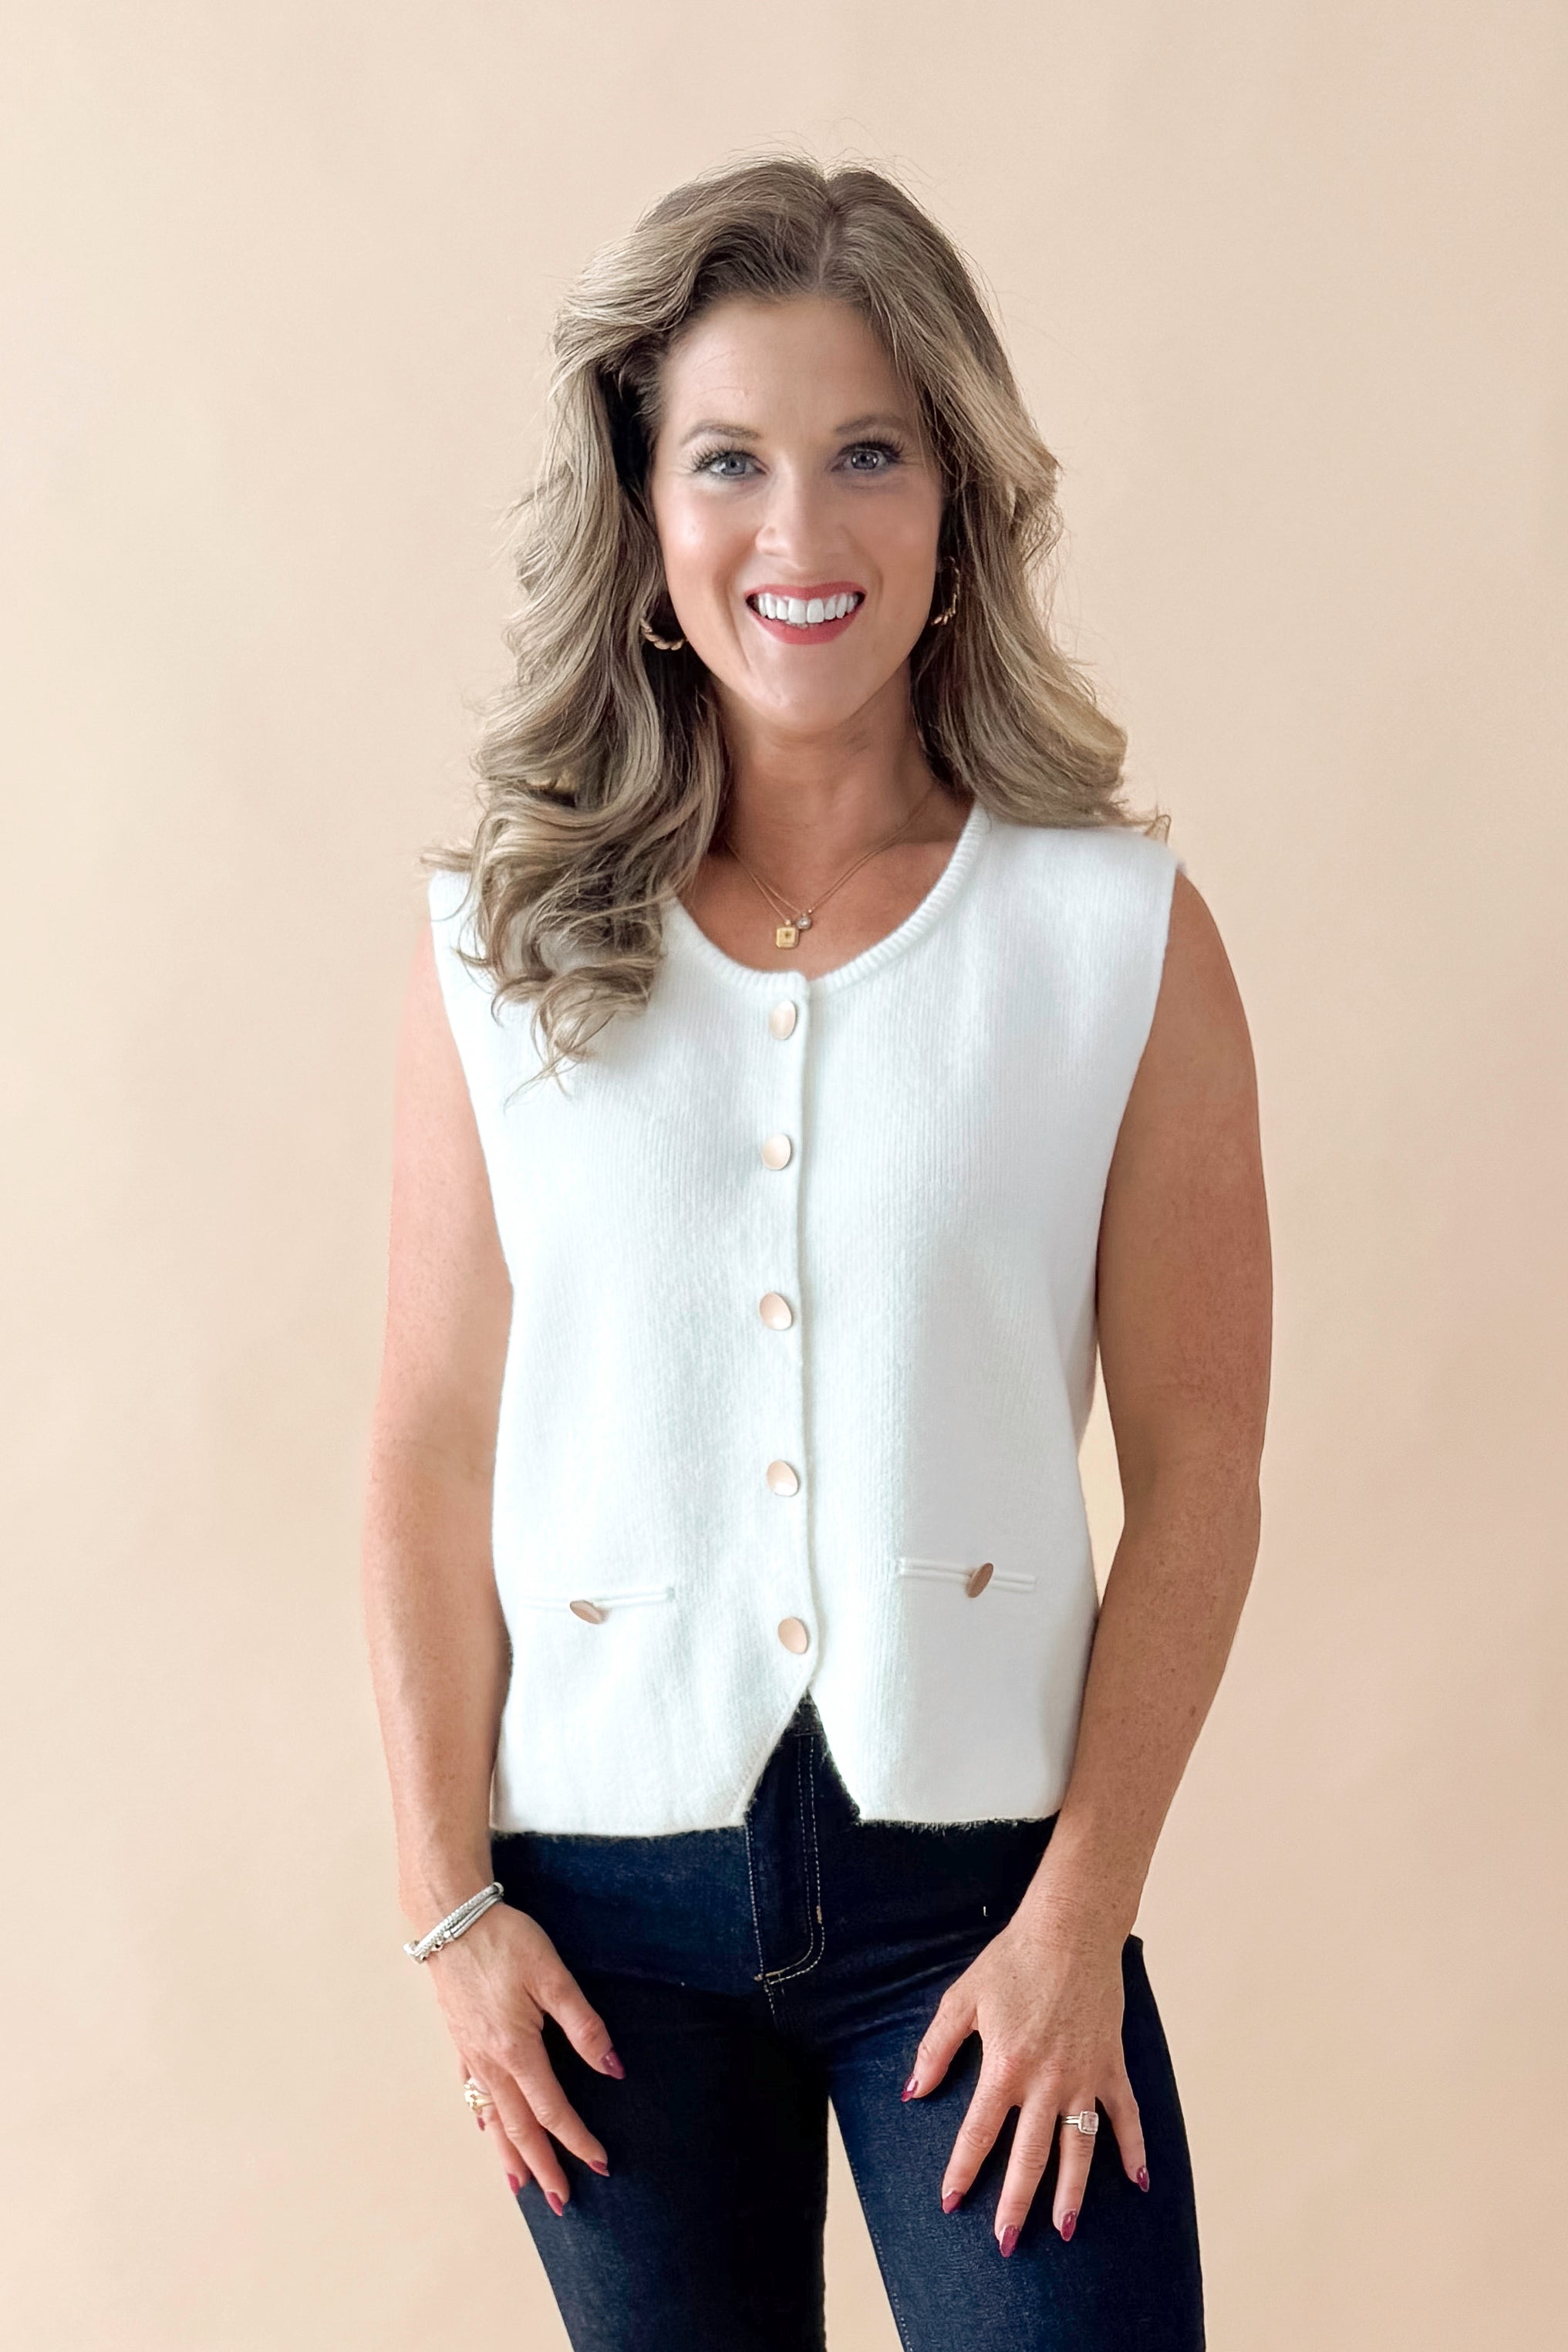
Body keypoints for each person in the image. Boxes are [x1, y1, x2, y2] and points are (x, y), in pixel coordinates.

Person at [361, 152, 1270, 2352]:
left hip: (982, 1909)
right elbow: (426, 1441)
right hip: (598, 1931)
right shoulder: (499, 952)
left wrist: (1080, 1921)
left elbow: (1200, 1464)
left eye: (866, 453)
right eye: (729, 462)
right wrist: (449, 1911)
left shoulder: (1107, 938)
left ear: (954, 499)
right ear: (645, 515)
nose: (798, 534)